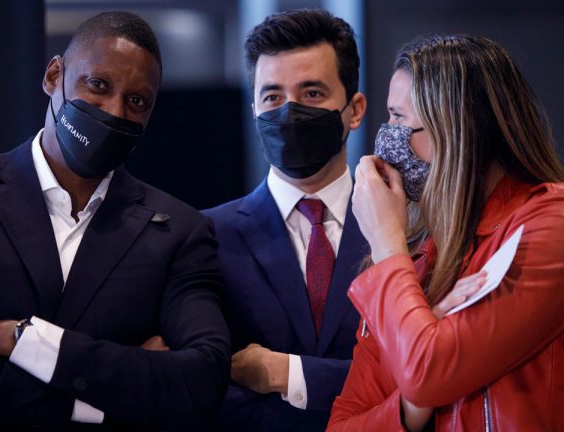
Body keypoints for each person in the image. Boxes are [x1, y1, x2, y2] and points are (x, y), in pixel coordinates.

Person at [0, 11, 230, 432]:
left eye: (137, 101)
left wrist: (21, 339)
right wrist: (95, 405)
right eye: (98, 85)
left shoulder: (178, 229)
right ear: (53, 76)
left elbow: (200, 382)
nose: (115, 110)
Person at [328, 34, 564, 431]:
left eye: (400, 119)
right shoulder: (419, 265)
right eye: (388, 117)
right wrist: (410, 404)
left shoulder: (549, 226)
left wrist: (387, 241)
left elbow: (426, 372)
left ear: (460, 130)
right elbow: (343, 424)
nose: (387, 138)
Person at [203, 9, 368, 430]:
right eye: (273, 96)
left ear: (354, 109)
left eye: (312, 93)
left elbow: (418, 376)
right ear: (255, 107)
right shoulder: (206, 236)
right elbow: (200, 381)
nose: (289, 112)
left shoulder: (409, 231)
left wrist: (282, 374)